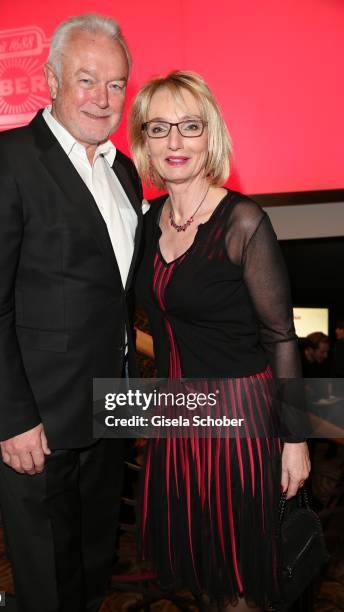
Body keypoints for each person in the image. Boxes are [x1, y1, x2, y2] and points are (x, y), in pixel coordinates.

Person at [0, 14, 143, 612]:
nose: (103, 98)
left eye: (116, 85)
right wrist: (10, 419)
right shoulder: (3, 159)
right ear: (52, 78)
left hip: (109, 414)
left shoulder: (126, 173)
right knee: (47, 587)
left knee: (92, 571)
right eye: (88, 80)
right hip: (36, 426)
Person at [129, 71, 310, 611]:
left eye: (190, 126)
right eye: (159, 129)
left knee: (239, 582)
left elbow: (280, 336)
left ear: (211, 135)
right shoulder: (148, 224)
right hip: (177, 420)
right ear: (143, 142)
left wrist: (295, 440)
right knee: (201, 573)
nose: (176, 142)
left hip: (238, 425)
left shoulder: (243, 222)